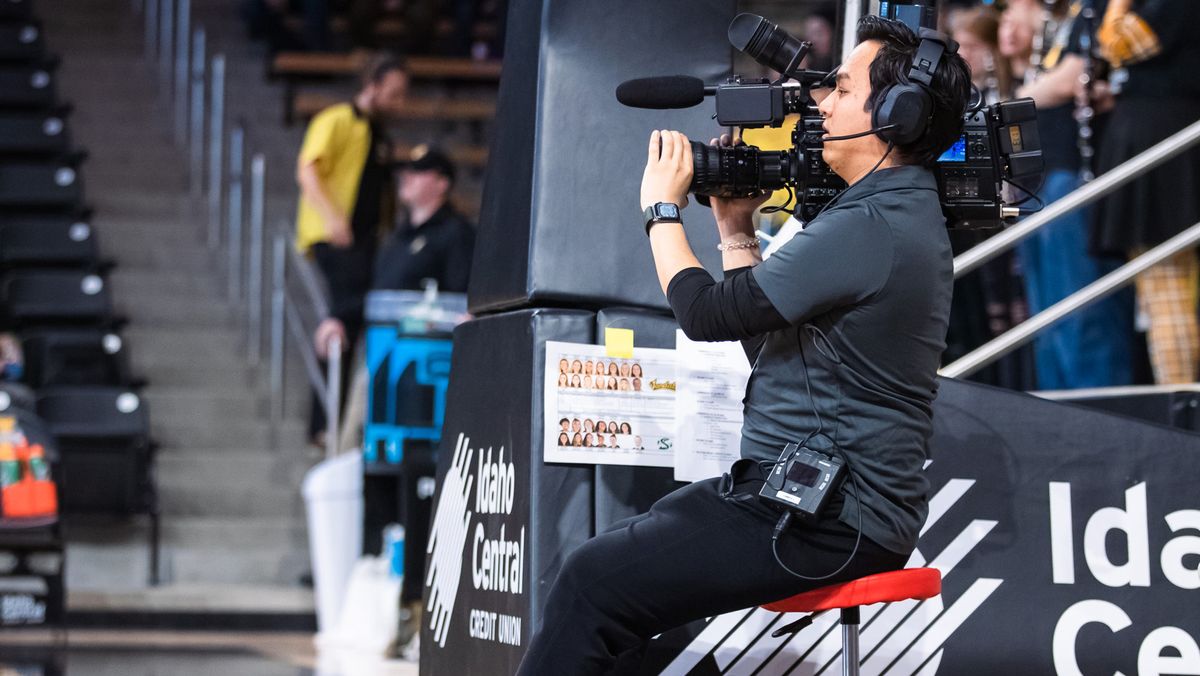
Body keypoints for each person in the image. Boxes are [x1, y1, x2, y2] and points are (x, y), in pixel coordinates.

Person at [517, 16, 970, 674]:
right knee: (612, 586)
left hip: (828, 517)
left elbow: (704, 313)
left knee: (591, 583)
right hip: (808, 499)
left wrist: (661, 209)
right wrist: (736, 231)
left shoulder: (873, 224)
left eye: (842, 90)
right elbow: (767, 347)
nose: (821, 101)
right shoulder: (886, 211)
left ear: (895, 117)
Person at [999, 0, 1132, 390]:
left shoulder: (1098, 7)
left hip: (1071, 178)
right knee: (1048, 319)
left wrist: (1009, 104)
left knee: (1082, 314)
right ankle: (1058, 414)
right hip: (1039, 181)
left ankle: (1094, 414)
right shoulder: (1065, 18)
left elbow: (1071, 77)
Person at [299, 55, 407, 443]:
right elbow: (308, 169)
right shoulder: (337, 120)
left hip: (365, 242)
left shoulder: (379, 137)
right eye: (393, 94)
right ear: (372, 84)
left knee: (353, 319)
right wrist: (332, 218)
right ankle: (321, 423)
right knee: (343, 317)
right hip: (335, 238)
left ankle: (331, 420)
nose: (398, 103)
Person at [1092, 0, 1200, 384]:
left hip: (1165, 144)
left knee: (1167, 289)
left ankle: (1183, 403)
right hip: (1161, 138)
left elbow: (1117, 43)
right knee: (1163, 292)